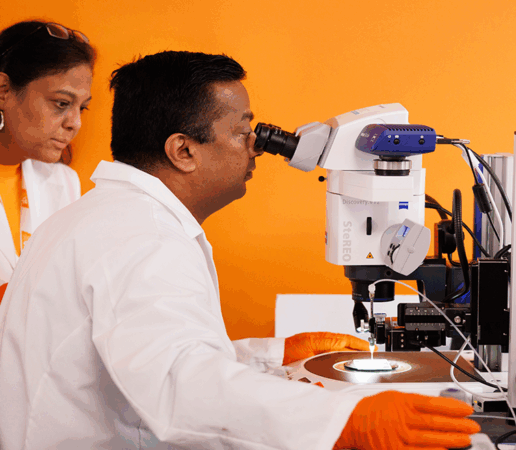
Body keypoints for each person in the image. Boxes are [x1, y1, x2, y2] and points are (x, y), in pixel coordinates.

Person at [0, 50, 480, 449]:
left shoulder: (104, 218)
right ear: (183, 151)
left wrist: (274, 355)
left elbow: (141, 353)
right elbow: (178, 382)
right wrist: (342, 420)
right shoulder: (142, 237)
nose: (256, 146)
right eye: (242, 130)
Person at [0, 21, 95, 294]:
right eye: (62, 103)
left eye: (82, 108)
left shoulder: (64, 182)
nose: (75, 123)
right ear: (3, 90)